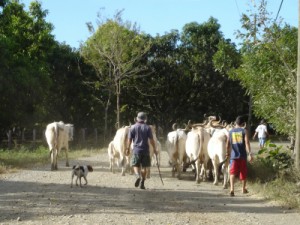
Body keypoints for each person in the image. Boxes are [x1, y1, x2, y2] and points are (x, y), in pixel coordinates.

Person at [126, 112, 157, 189]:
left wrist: (127, 148)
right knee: (144, 167)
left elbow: (129, 140)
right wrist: (154, 148)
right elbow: (151, 140)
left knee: (135, 165)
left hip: (136, 150)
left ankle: (137, 176)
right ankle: (142, 182)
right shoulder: (147, 128)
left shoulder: (132, 127)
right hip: (145, 150)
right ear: (145, 119)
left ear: (137, 119)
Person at [226, 116, 253, 197]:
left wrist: (227, 153)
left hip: (233, 156)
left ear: (235, 123)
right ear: (243, 123)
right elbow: (247, 142)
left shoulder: (230, 131)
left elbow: (227, 144)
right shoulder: (244, 131)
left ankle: (232, 189)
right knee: (243, 172)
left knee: (232, 173)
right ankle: (243, 189)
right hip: (242, 156)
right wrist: (249, 153)